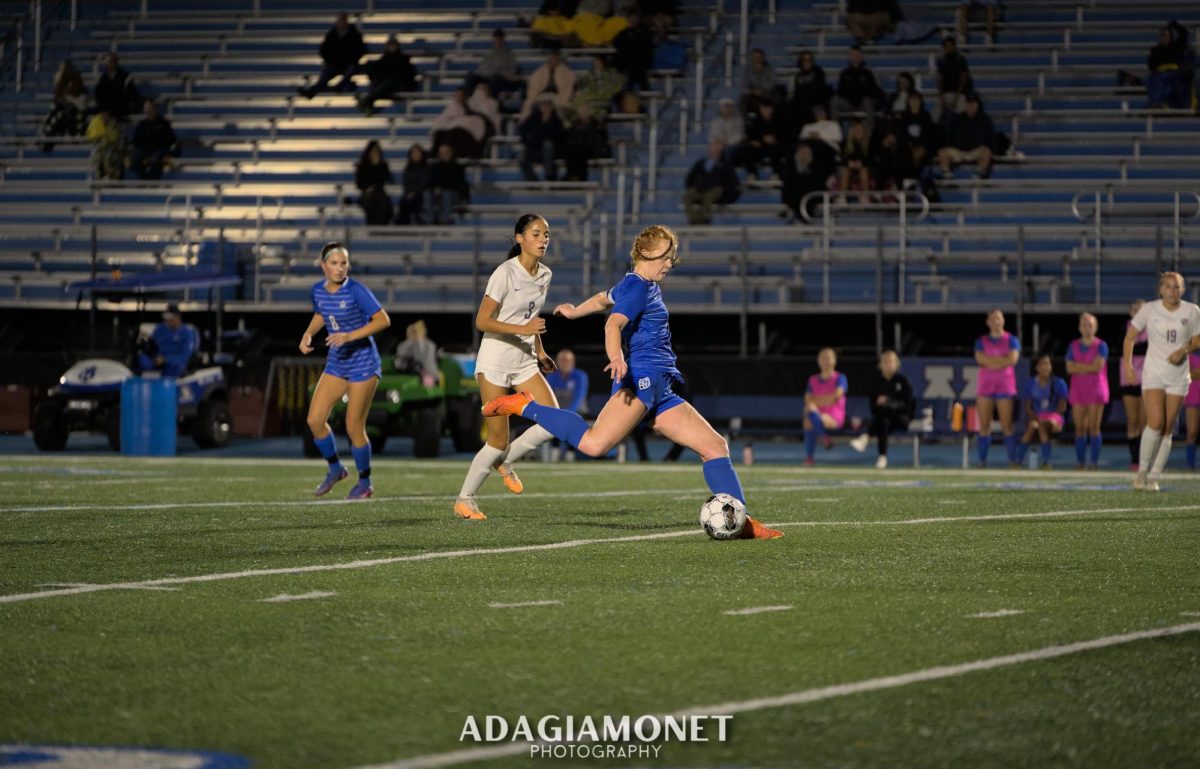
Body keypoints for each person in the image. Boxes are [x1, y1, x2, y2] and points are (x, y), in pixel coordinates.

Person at [481, 225, 782, 539]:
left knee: (715, 446)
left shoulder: (634, 283)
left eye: (673, 258)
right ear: (646, 252)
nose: (669, 263)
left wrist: (574, 311)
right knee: (595, 444)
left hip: (661, 387)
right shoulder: (638, 287)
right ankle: (525, 405)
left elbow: (603, 299)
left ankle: (742, 522)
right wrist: (616, 357)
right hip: (642, 379)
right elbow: (613, 323)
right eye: (666, 256)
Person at [453, 215, 560, 521]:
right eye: (536, 234)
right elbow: (482, 321)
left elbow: (533, 318)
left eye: (547, 235)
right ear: (519, 238)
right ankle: (465, 499)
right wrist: (523, 329)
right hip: (496, 361)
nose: (543, 240)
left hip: (525, 360)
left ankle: (505, 461)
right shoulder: (505, 273)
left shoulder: (545, 274)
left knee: (554, 421)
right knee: (497, 439)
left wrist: (540, 351)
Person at [299, 242, 391, 500]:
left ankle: (365, 482)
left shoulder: (357, 290)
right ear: (323, 266)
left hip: (363, 363)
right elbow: (322, 313)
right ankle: (336, 469)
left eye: (343, 263)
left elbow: (383, 320)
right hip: (337, 362)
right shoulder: (317, 290)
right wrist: (308, 333)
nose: (339, 269)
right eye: (334, 263)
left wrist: (349, 335)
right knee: (314, 420)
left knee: (353, 426)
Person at [1124, 272, 1200, 491]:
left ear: (1182, 289)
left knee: (1168, 426)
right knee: (1155, 421)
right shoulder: (1149, 309)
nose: (1172, 291)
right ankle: (1141, 471)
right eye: (1168, 287)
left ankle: (1154, 476)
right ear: (1160, 289)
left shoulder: (1192, 311)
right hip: (1154, 373)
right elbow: (1129, 337)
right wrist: (1128, 366)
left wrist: (1183, 350)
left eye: (1176, 287)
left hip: (1178, 375)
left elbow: (1197, 339)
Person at [849, 350, 914, 468]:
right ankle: (882, 457)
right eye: (885, 361)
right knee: (883, 421)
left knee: (883, 415)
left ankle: (866, 437)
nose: (888, 364)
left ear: (897, 364)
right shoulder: (876, 382)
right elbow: (873, 407)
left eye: (891, 361)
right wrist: (882, 404)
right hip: (883, 420)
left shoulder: (902, 381)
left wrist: (888, 401)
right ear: (880, 364)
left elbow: (907, 405)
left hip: (900, 419)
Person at [974, 308, 1020, 467]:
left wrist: (990, 361)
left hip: (1005, 387)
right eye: (993, 318)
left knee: (1006, 425)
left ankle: (1012, 460)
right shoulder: (981, 341)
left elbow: (1012, 360)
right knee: (984, 425)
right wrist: (1002, 360)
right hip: (985, 387)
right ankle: (982, 461)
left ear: (1003, 320)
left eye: (999, 318)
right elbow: (980, 359)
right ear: (988, 322)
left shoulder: (1012, 340)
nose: (996, 321)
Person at [1066, 312, 1109, 470]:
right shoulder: (1073, 346)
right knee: (1079, 428)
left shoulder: (1101, 346)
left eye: (1090, 324)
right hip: (1078, 390)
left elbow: (1097, 367)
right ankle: (1080, 462)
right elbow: (1069, 368)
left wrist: (1079, 367)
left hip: (1096, 390)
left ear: (1095, 327)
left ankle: (1094, 462)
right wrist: (1087, 367)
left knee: (1094, 427)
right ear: (1079, 327)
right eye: (1084, 324)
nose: (1087, 328)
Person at [298, 12, 367, 99]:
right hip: (334, 63)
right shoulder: (332, 34)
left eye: (342, 20)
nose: (340, 23)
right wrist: (328, 59)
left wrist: (352, 59)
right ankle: (312, 92)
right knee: (324, 77)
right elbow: (323, 49)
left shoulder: (355, 35)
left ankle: (337, 87)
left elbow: (361, 50)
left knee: (351, 70)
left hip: (349, 63)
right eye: (339, 20)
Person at [1019, 354, 1068, 469]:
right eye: (1042, 364)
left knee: (1042, 424)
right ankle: (1018, 461)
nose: (1045, 367)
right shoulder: (1030, 384)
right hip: (1037, 417)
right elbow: (1028, 407)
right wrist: (1036, 418)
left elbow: (1062, 407)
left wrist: (1051, 418)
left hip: (1054, 418)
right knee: (1032, 426)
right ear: (1036, 367)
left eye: (1047, 364)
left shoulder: (1059, 383)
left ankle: (1047, 461)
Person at [803, 348, 847, 466]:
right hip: (816, 414)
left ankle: (809, 457)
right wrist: (825, 400)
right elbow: (807, 399)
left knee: (810, 417)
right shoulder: (812, 380)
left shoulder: (840, 378)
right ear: (818, 360)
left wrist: (817, 401)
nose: (826, 361)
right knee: (810, 414)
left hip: (834, 417)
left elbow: (836, 396)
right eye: (823, 357)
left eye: (829, 357)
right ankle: (824, 438)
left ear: (834, 360)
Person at [357, 34, 419, 116]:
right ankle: (369, 105)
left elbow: (410, 75)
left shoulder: (403, 59)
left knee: (389, 83)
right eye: (390, 44)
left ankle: (367, 101)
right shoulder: (384, 59)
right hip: (387, 88)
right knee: (378, 83)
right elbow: (373, 72)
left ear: (397, 45)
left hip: (400, 86)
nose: (391, 46)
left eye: (393, 44)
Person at [682, 140, 740, 225]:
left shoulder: (725, 164)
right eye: (712, 147)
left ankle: (702, 219)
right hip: (699, 189)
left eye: (716, 148)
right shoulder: (701, 163)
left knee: (708, 196)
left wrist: (724, 189)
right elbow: (690, 177)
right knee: (687, 196)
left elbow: (732, 180)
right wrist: (691, 187)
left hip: (715, 189)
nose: (714, 150)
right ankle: (694, 219)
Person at [1119, 299, 1148, 470]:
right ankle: (1134, 459)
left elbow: (1146, 349)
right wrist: (1134, 346)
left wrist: (1132, 345)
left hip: (1148, 379)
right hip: (1128, 378)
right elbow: (1121, 347)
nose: (1137, 312)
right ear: (1131, 312)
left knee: (1146, 421)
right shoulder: (1125, 327)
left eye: (1141, 309)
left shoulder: (1152, 329)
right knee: (1132, 420)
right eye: (1134, 309)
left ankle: (1145, 460)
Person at [937, 91, 994, 178]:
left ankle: (980, 172)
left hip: (975, 151)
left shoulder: (984, 119)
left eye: (973, 103)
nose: (970, 106)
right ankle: (946, 172)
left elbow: (990, 137)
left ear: (978, 105)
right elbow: (950, 136)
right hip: (959, 151)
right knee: (942, 152)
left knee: (986, 151)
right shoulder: (958, 118)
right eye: (968, 103)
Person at [137, 303, 198, 378]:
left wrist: (166, 359)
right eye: (166, 317)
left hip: (174, 362)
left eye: (170, 318)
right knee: (143, 360)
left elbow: (185, 355)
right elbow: (152, 346)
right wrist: (154, 356)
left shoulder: (187, 333)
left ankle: (169, 386)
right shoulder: (160, 329)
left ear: (177, 317)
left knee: (176, 366)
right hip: (158, 360)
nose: (167, 320)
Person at [780, 139, 836, 220]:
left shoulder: (816, 167)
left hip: (812, 193)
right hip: (795, 194)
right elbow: (788, 182)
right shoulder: (790, 168)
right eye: (802, 153)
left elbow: (819, 182)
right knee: (796, 192)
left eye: (806, 153)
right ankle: (800, 216)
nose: (804, 155)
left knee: (806, 192)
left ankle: (803, 217)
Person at [465, 29, 524, 104]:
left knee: (495, 78)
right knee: (470, 76)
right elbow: (481, 69)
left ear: (503, 40)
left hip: (501, 79)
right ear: (493, 40)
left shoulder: (509, 55)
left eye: (500, 39)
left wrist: (497, 73)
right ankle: (467, 102)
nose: (498, 41)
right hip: (488, 77)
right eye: (496, 39)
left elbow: (511, 73)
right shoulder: (489, 54)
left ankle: (493, 104)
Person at [833, 46, 883, 135]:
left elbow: (875, 90)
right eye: (853, 55)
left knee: (868, 101)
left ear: (861, 57)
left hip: (864, 103)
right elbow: (840, 91)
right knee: (835, 101)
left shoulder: (868, 72)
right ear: (849, 57)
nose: (855, 57)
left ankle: (870, 134)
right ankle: (836, 133)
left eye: (857, 55)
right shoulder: (844, 73)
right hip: (848, 103)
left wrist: (861, 95)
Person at [41, 60, 89, 151]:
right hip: (65, 107)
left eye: (65, 68)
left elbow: (74, 94)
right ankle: (47, 138)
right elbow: (58, 96)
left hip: (75, 107)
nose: (64, 70)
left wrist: (65, 94)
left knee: (60, 113)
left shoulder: (76, 78)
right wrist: (58, 82)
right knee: (54, 113)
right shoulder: (62, 80)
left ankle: (50, 138)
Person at [519, 48, 576, 120]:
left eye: (555, 57)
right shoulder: (540, 71)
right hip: (542, 95)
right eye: (551, 57)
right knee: (529, 104)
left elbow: (569, 86)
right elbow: (534, 86)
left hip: (558, 96)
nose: (553, 59)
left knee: (562, 106)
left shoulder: (567, 72)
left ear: (559, 58)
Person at [130, 100, 180, 180]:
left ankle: (153, 183)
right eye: (146, 109)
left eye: (150, 108)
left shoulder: (163, 123)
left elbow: (171, 140)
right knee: (134, 160)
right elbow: (136, 141)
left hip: (160, 150)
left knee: (155, 159)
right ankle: (147, 181)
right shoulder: (142, 124)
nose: (148, 111)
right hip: (145, 150)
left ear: (154, 109)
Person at [518, 97, 565, 182]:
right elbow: (522, 130)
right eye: (543, 105)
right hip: (534, 148)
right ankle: (532, 180)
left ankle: (549, 175)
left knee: (548, 145)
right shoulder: (533, 118)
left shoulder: (557, 121)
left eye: (548, 105)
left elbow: (559, 136)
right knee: (521, 156)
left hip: (552, 150)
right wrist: (527, 142)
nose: (545, 107)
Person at [355, 140, 394, 226]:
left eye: (376, 151)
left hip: (380, 193)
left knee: (381, 200)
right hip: (366, 194)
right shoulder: (363, 166)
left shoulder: (383, 165)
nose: (374, 153)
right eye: (372, 151)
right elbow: (359, 184)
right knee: (373, 200)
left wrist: (378, 166)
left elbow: (388, 179)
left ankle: (380, 227)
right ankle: (374, 227)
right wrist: (368, 188)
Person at [429, 143, 469, 225]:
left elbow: (458, 184)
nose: (444, 154)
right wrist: (435, 188)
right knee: (427, 194)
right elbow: (431, 182)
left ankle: (444, 221)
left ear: (451, 152)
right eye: (442, 152)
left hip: (454, 194)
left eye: (446, 151)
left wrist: (441, 187)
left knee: (447, 194)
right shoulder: (435, 167)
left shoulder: (458, 167)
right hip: (439, 194)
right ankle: (429, 220)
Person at [836, 118, 874, 204]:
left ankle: (866, 196)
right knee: (845, 170)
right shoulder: (846, 143)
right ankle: (842, 197)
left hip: (866, 167)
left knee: (863, 170)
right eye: (856, 129)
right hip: (850, 167)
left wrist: (861, 163)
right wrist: (849, 163)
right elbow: (842, 157)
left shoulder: (870, 143)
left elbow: (872, 158)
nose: (858, 131)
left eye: (860, 129)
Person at [94, 53, 141, 120]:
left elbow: (131, 94)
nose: (108, 64)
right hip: (107, 107)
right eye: (107, 62)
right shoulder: (103, 78)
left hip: (120, 107)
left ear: (115, 63)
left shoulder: (125, 76)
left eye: (111, 62)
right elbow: (99, 94)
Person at [789, 50, 830, 128]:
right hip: (802, 105)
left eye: (809, 60)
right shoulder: (798, 76)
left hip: (817, 104)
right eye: (804, 60)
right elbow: (797, 94)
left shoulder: (819, 72)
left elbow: (819, 91)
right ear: (801, 61)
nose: (807, 62)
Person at [394, 319, 440, 387]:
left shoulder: (430, 346)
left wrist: (418, 342)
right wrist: (410, 341)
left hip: (427, 376)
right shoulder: (404, 345)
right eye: (413, 331)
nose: (416, 333)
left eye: (418, 331)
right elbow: (398, 364)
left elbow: (427, 364)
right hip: (406, 375)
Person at [396, 144, 432, 225]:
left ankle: (419, 221)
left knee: (417, 199)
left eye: (417, 153)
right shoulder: (407, 168)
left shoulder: (426, 168)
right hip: (409, 193)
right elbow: (405, 183)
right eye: (414, 153)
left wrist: (415, 193)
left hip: (421, 193)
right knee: (404, 201)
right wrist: (408, 193)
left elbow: (425, 183)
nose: (415, 155)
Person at [936, 36, 971, 118]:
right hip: (945, 95)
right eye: (945, 46)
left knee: (962, 116)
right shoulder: (941, 61)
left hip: (960, 94)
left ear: (954, 46)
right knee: (935, 118)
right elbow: (939, 80)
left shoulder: (961, 59)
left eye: (949, 45)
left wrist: (956, 97)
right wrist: (941, 98)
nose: (947, 48)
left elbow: (963, 79)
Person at [85, 109, 126, 180]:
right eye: (102, 115)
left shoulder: (114, 125)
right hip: (102, 149)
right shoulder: (97, 123)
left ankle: (112, 176)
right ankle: (97, 177)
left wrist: (105, 141)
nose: (104, 117)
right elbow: (93, 138)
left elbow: (114, 139)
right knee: (95, 154)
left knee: (109, 156)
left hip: (114, 149)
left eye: (106, 114)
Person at [740, 48, 784, 114]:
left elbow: (772, 84)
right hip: (752, 95)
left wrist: (761, 73)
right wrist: (753, 91)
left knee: (778, 96)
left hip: (767, 93)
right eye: (755, 57)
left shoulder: (770, 69)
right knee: (742, 100)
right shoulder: (746, 70)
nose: (757, 59)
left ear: (763, 58)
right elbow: (743, 85)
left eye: (760, 57)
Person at [1185, 351, 1200, 470]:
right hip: (1194, 392)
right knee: (1192, 430)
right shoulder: (1190, 350)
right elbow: (1188, 374)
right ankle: (1190, 465)